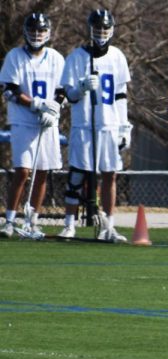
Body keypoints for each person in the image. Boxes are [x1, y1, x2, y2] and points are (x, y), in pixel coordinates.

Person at [59, 9, 132, 242]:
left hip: (110, 123)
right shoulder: (76, 57)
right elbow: (68, 94)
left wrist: (124, 126)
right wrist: (80, 88)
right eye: (98, 28)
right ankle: (69, 224)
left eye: (105, 28)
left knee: (110, 174)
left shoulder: (118, 56)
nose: (101, 32)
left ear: (112, 30)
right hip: (84, 122)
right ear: (90, 30)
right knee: (78, 174)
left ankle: (108, 226)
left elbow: (121, 95)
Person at [0, 12, 65, 240]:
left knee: (43, 172)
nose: (36, 35)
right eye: (33, 30)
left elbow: (62, 90)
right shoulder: (15, 56)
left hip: (47, 124)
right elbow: (11, 89)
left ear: (48, 32)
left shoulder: (56, 58)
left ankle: (32, 221)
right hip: (23, 121)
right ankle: (9, 220)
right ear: (26, 32)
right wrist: (37, 104)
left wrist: (54, 108)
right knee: (23, 171)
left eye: (41, 30)